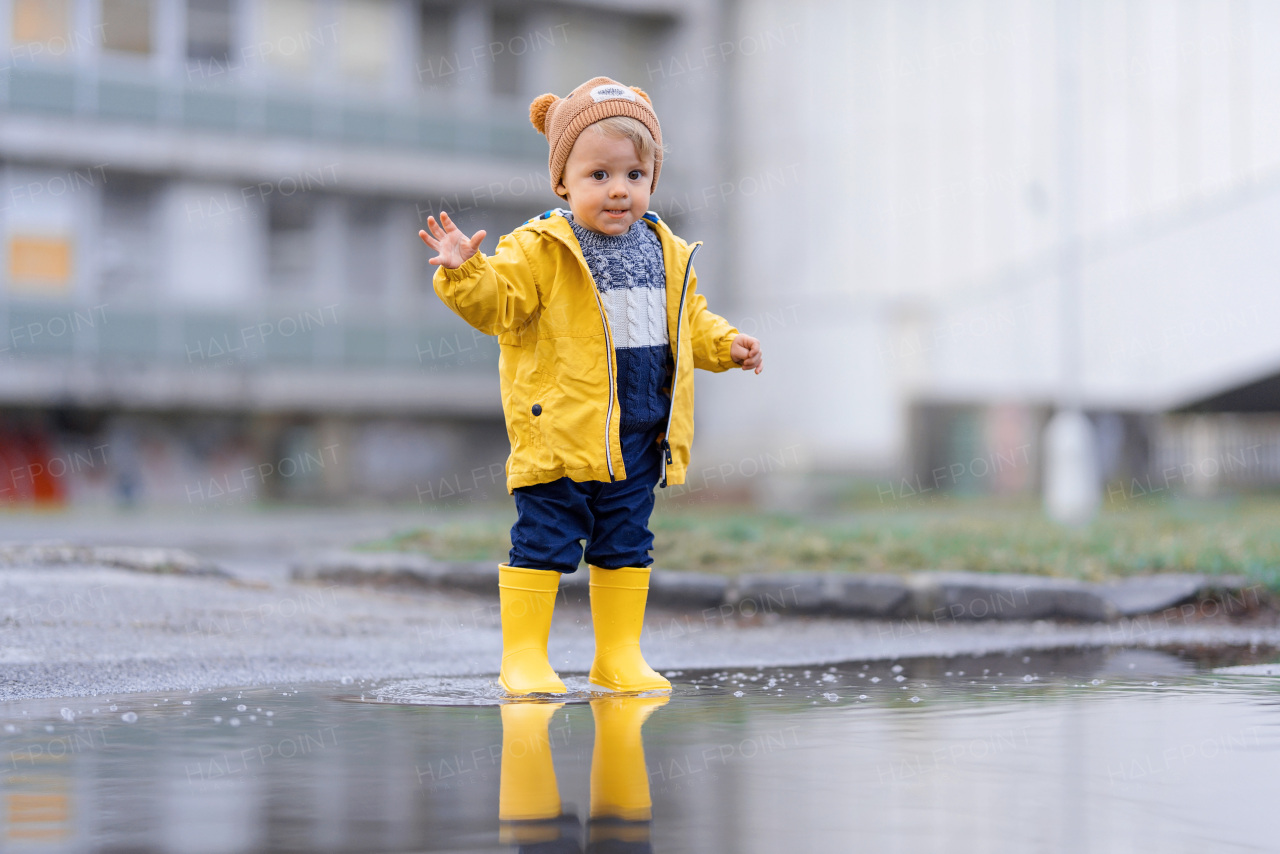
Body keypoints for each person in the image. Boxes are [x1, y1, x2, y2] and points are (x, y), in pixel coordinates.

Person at [419, 75, 763, 696]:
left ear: (652, 180)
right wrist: (465, 272)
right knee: (545, 540)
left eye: (634, 175)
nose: (618, 191)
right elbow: (499, 302)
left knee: (627, 543)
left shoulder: (666, 250)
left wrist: (725, 345)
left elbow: (688, 321)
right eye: (597, 175)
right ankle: (523, 658)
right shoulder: (540, 248)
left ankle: (618, 656)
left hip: (638, 437)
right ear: (563, 182)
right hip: (560, 437)